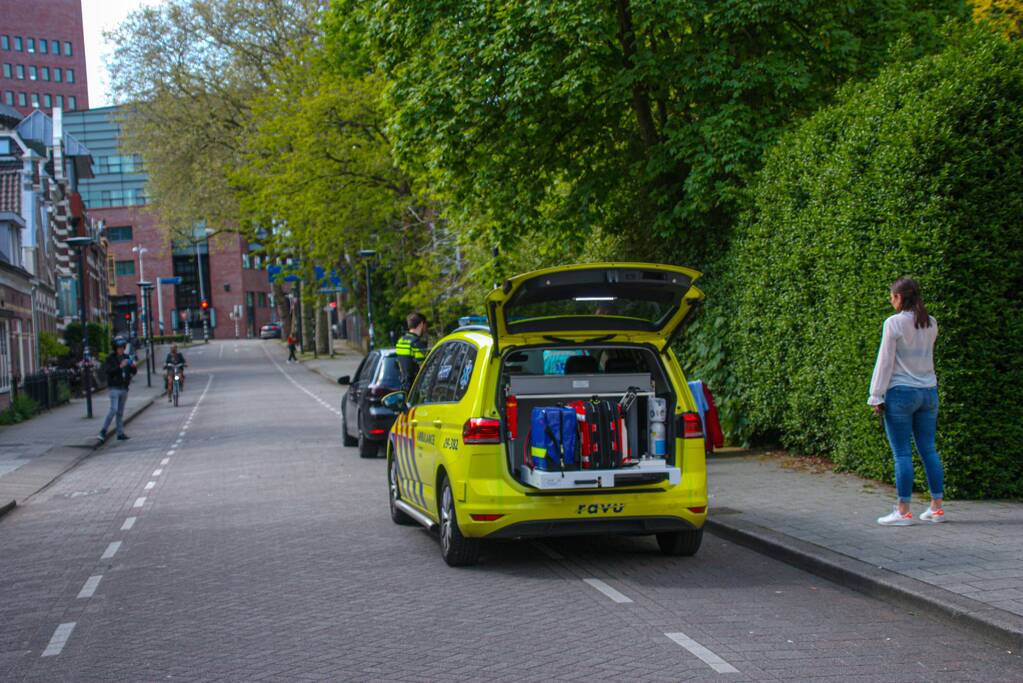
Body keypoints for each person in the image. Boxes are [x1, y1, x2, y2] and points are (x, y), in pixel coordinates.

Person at [868, 278, 944, 526]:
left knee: (902, 453)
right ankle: (936, 508)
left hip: (901, 393)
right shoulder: (931, 323)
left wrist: (876, 395)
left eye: (892, 296)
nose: (890, 301)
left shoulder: (893, 323)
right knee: (929, 449)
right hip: (928, 392)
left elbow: (885, 361)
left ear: (900, 298)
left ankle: (903, 511)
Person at [99, 337, 138, 441]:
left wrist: (134, 366)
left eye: (122, 348)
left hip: (124, 388)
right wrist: (120, 366)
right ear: (115, 348)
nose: (121, 350)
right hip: (114, 388)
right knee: (113, 409)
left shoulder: (127, 357)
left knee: (120, 412)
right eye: (119, 348)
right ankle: (103, 431)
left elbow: (133, 372)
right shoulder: (110, 358)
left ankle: (120, 433)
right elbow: (108, 371)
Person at [396, 311, 429, 391]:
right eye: (425, 325)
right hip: (415, 388)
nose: (425, 328)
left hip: (404, 386)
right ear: (421, 324)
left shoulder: (400, 341)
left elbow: (400, 366)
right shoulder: (417, 343)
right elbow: (423, 369)